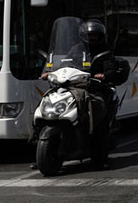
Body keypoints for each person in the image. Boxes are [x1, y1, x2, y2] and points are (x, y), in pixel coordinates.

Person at [42, 19, 128, 169]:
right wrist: (52, 72)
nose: (92, 38)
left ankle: (100, 156)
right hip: (74, 86)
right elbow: (65, 64)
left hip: (95, 89)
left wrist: (104, 75)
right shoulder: (76, 49)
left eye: (95, 35)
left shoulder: (105, 51)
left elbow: (111, 68)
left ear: (101, 36)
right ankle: (41, 149)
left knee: (95, 110)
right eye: (89, 35)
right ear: (82, 35)